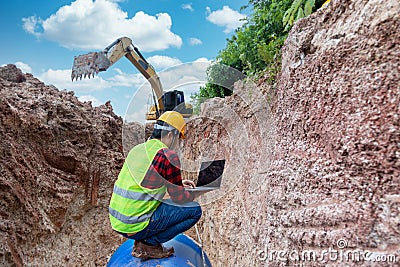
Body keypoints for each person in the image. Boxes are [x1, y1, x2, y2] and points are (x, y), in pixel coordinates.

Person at [109, 111, 202, 260]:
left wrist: (179, 183)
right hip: (136, 224)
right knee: (194, 210)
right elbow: (179, 198)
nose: (178, 144)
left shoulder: (138, 149)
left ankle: (144, 240)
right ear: (171, 135)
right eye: (178, 138)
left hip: (118, 221)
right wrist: (197, 192)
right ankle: (150, 244)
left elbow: (145, 182)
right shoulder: (167, 155)